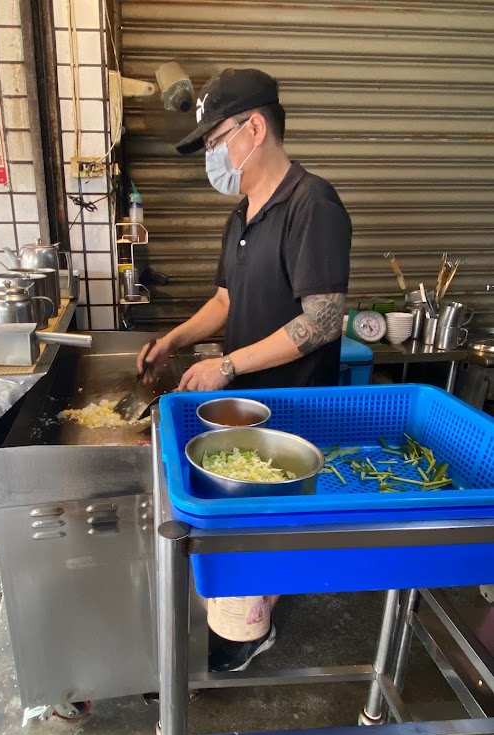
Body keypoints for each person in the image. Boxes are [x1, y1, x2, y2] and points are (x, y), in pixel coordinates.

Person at [138, 68, 352, 672]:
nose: (211, 155)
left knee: (269, 529)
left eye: (214, 139)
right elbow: (227, 301)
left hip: (293, 407)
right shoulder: (241, 217)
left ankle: (253, 628)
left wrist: (226, 366)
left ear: (254, 128)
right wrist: (173, 339)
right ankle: (242, 612)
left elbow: (325, 317)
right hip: (245, 404)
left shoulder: (313, 204)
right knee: (240, 521)